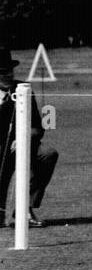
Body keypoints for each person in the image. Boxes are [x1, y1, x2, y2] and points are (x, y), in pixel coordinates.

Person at [0, 47, 58, 228]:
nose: (9, 75)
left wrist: (23, 138)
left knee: (48, 154)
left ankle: (25, 209)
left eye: (10, 70)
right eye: (2, 72)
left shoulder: (23, 90)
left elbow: (38, 127)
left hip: (23, 146)